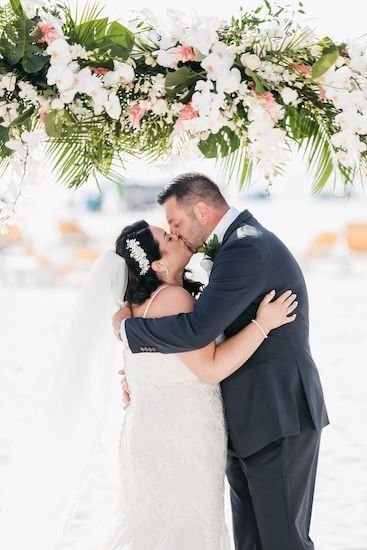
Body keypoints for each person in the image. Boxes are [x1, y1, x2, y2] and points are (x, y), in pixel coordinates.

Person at [114, 172, 330, 550]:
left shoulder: (246, 247)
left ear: (201, 208)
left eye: (175, 224)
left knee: (282, 542)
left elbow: (196, 330)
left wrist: (129, 333)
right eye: (169, 232)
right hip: (239, 423)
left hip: (276, 414)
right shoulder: (231, 247)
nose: (176, 233)